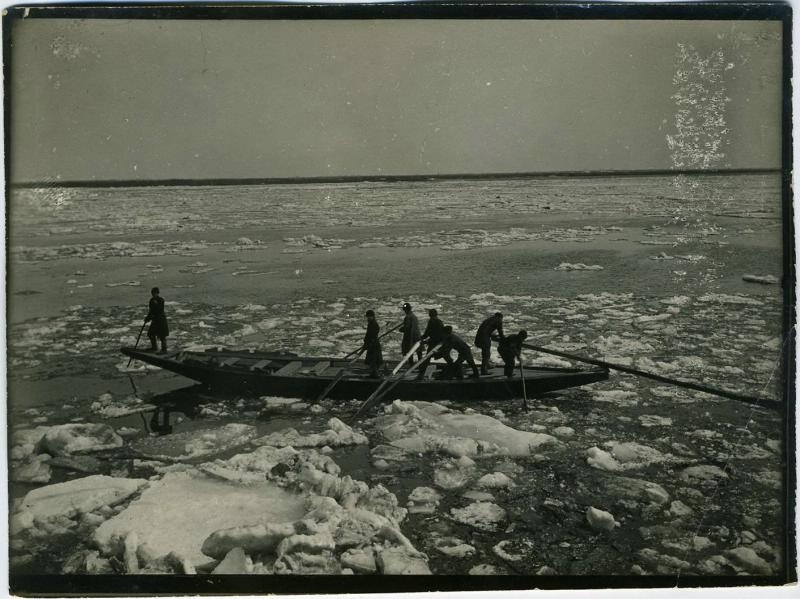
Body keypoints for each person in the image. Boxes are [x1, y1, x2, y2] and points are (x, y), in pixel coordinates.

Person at [416, 308, 446, 380]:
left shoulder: (432, 321)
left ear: (430, 315)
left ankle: (421, 375)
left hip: (434, 343)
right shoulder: (439, 321)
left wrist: (421, 338)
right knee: (445, 356)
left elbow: (427, 332)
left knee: (427, 358)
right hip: (439, 342)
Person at [144, 287, 169, 353]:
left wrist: (156, 304)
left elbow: (160, 310)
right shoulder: (151, 300)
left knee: (162, 335)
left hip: (161, 320)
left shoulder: (161, 300)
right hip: (155, 321)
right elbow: (151, 311)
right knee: (151, 333)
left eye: (155, 293)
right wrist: (148, 318)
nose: (154, 294)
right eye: (153, 293)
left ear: (157, 293)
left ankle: (164, 349)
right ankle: (154, 347)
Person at [363, 309, 383, 378]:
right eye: (367, 317)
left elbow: (371, 335)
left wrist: (368, 342)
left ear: (372, 316)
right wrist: (366, 342)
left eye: (369, 316)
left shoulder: (374, 324)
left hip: (374, 345)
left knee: (374, 360)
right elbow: (368, 334)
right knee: (372, 360)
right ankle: (373, 374)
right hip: (371, 344)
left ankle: (375, 375)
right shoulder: (370, 323)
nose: (368, 318)